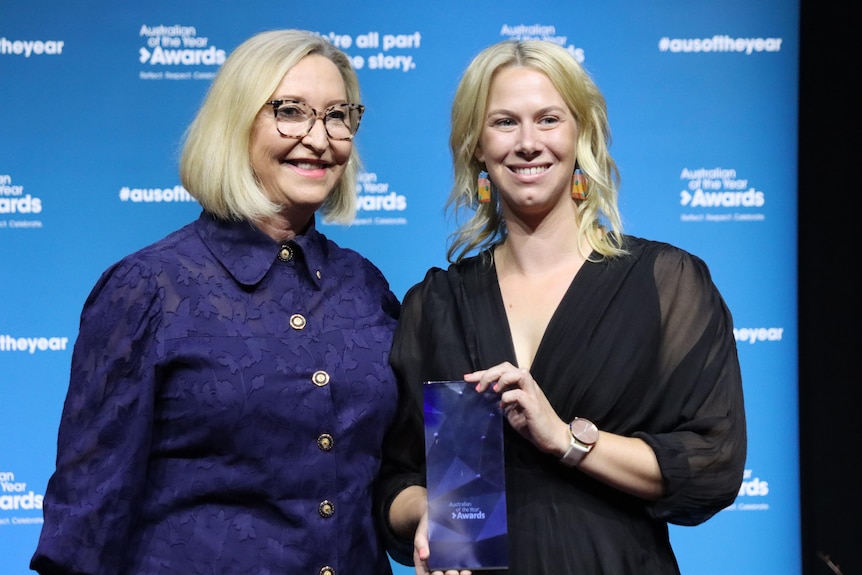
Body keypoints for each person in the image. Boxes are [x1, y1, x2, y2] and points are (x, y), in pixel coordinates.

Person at [31, 29, 400, 575]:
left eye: (338, 115)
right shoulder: (148, 288)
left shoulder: (365, 288)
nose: (319, 138)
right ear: (235, 124)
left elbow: (392, 481)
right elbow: (87, 519)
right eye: (291, 112)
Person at [376, 39, 747, 575]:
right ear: (476, 145)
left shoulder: (665, 283)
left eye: (548, 119)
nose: (528, 144)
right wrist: (426, 515)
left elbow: (714, 463)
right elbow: (397, 478)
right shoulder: (436, 304)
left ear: (580, 135)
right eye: (504, 122)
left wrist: (566, 440)